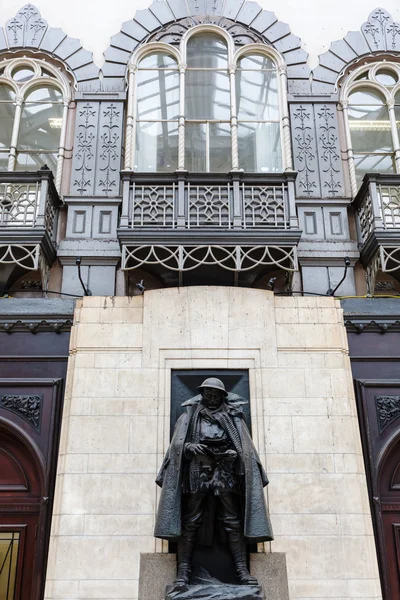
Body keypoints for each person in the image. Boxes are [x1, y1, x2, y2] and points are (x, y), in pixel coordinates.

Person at [154, 377, 273, 585]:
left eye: (214, 395)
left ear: (222, 396)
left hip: (225, 471)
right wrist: (190, 448)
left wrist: (233, 454)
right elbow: (177, 445)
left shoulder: (233, 417)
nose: (210, 399)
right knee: (191, 520)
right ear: (202, 395)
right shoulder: (189, 416)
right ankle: (183, 572)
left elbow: (243, 447)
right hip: (197, 470)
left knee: (232, 520)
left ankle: (242, 571)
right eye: (207, 395)